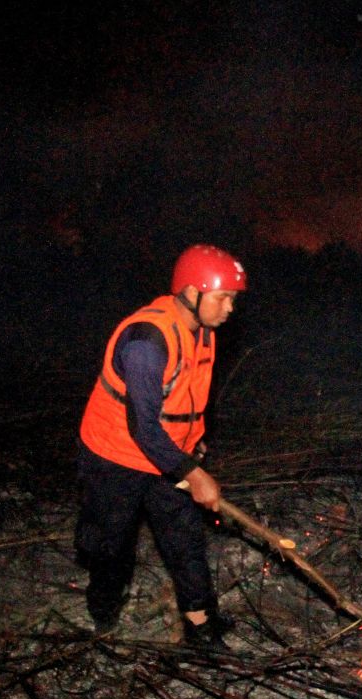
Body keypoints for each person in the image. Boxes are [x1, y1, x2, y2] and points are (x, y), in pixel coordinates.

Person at [74, 244, 246, 651]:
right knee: (113, 549)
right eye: (223, 298)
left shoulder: (203, 331)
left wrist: (195, 440)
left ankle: (200, 626)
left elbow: (190, 396)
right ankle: (103, 617)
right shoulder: (146, 342)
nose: (229, 309)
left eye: (233, 300)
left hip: (165, 456)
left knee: (184, 540)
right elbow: (144, 429)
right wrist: (194, 474)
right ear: (191, 292)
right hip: (115, 456)